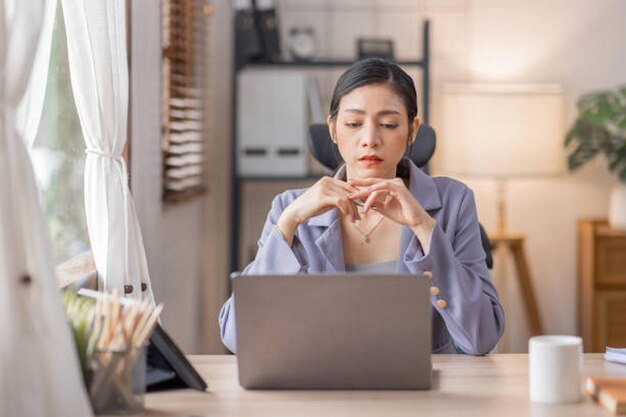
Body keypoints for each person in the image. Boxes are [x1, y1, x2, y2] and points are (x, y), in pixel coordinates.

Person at [219, 58, 504, 355]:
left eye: (389, 125)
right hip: (320, 389)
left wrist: (423, 226)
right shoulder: (289, 207)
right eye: (354, 124)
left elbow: (481, 337)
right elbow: (237, 337)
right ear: (333, 129)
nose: (370, 140)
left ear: (412, 131)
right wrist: (288, 224)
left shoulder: (453, 202)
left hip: (424, 395)